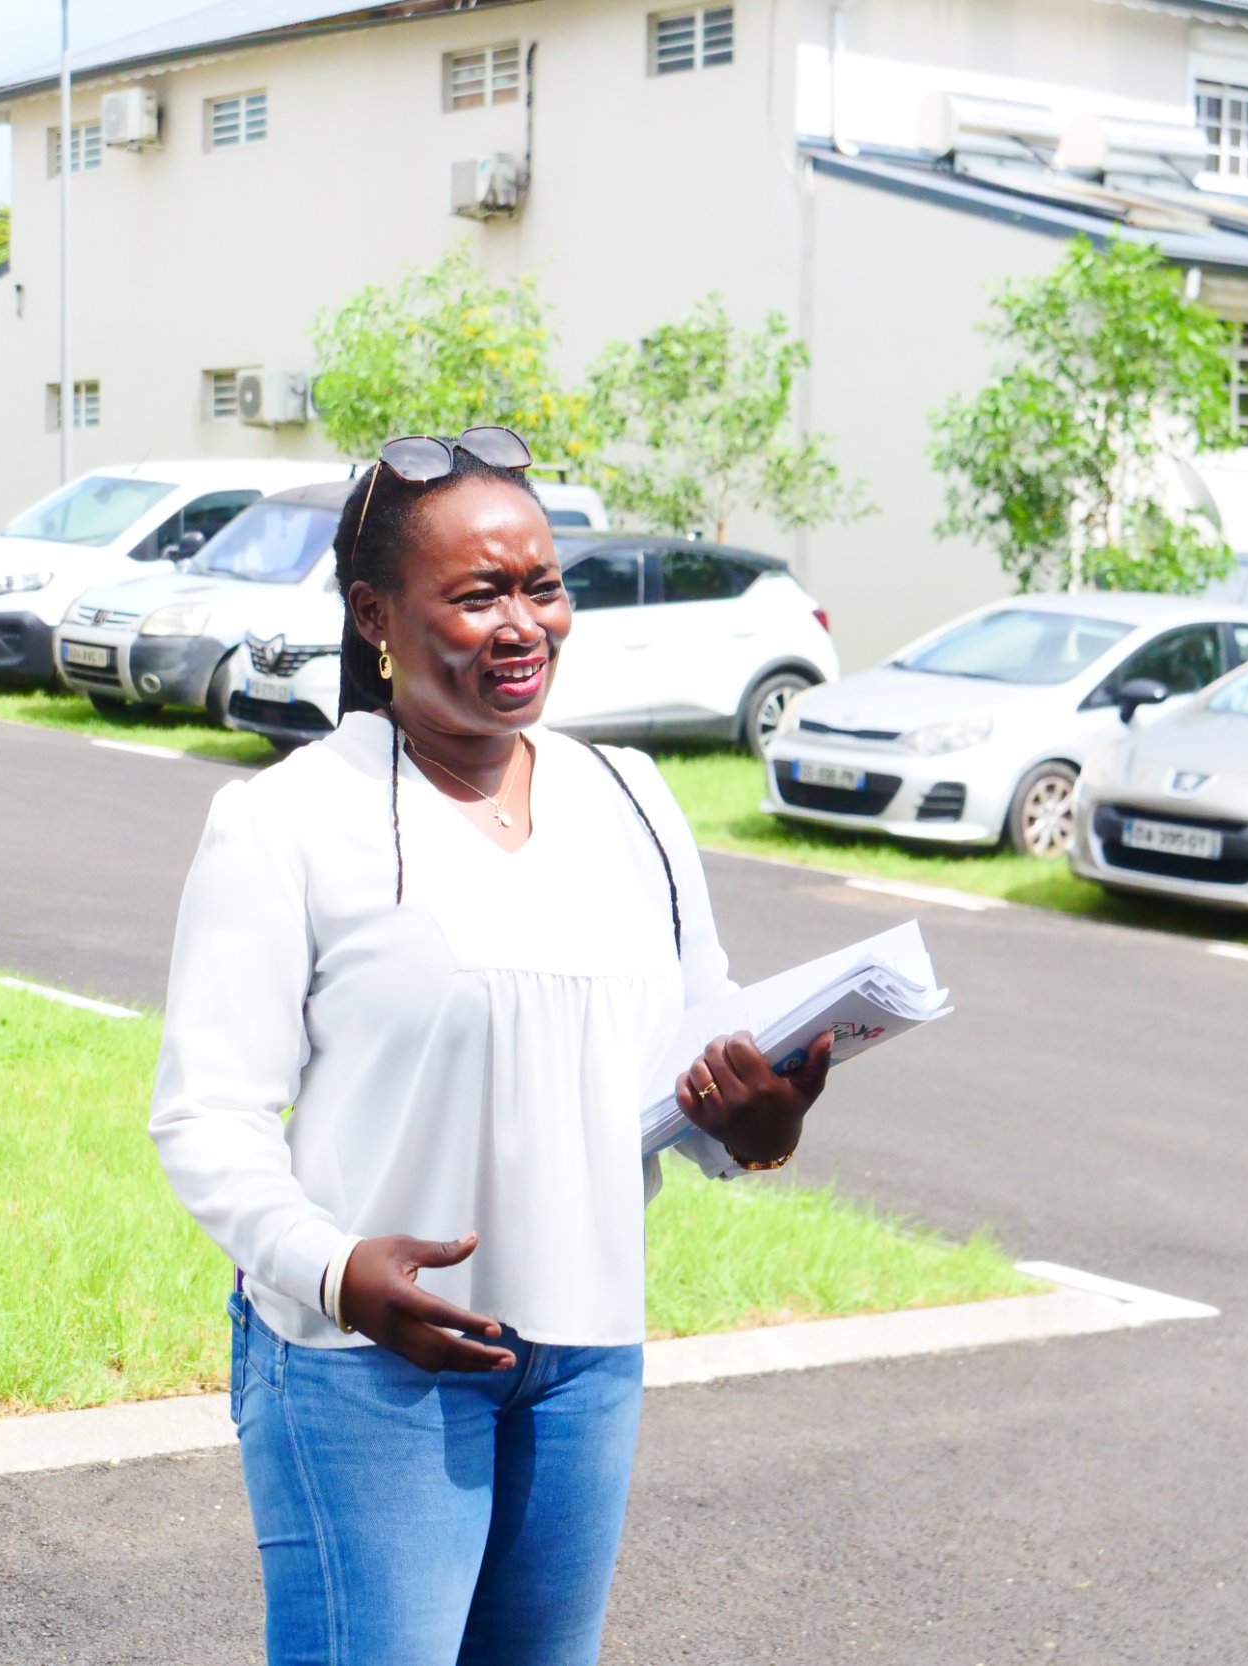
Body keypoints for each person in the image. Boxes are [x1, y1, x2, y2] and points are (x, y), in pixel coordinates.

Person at [149, 425, 836, 1665]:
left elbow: (690, 1050)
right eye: (477, 596)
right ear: (375, 615)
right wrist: (335, 1271)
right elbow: (208, 1113)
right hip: (366, 1368)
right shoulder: (288, 819)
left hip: (585, 1359)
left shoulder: (630, 798)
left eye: (542, 586)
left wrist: (757, 1124)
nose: (523, 625)